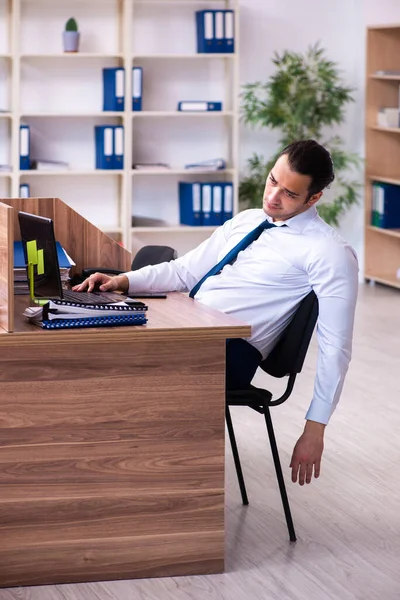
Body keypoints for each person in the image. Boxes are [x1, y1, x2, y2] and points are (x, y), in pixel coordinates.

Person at [73, 139, 359, 487]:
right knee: (86, 338)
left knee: (110, 361)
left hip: (228, 352)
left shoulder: (329, 251)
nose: (272, 197)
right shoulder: (248, 221)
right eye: (272, 181)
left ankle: (120, 480)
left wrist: (315, 428)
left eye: (289, 193)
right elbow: (183, 271)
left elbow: (336, 346)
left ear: (314, 198)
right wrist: (121, 281)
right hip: (187, 328)